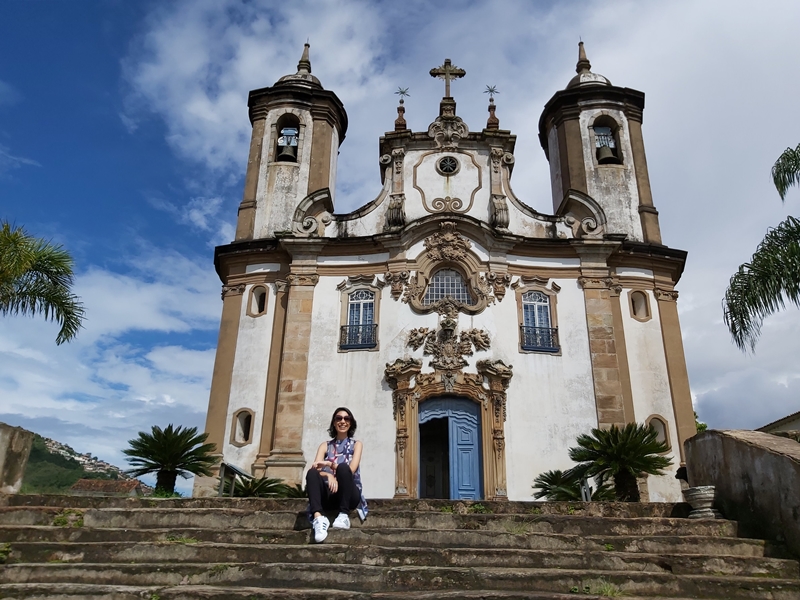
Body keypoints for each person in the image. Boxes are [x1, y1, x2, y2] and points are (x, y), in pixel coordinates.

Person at [306, 407, 368, 543]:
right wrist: (329, 476)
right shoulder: (325, 446)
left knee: (344, 468)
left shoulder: (356, 445)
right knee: (311, 473)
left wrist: (329, 465)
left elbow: (351, 470)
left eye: (347, 418)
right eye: (338, 418)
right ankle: (318, 518)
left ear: (351, 423)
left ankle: (344, 515)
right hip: (329, 493)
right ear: (334, 423)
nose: (342, 421)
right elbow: (316, 468)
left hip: (349, 494)